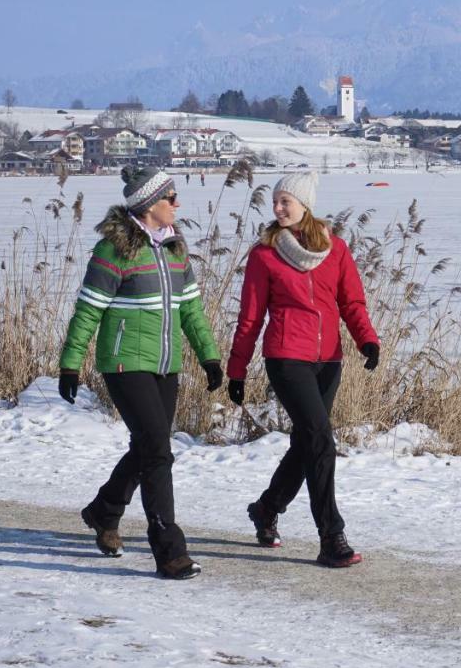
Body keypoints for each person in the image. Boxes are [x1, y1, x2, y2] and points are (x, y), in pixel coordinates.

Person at [58, 166, 222, 580]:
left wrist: (209, 357)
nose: (177, 204)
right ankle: (169, 550)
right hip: (123, 363)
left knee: (149, 448)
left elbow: (191, 311)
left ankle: (104, 511)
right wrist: (70, 364)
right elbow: (88, 310)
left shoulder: (175, 250)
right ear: (149, 205)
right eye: (170, 197)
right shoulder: (114, 250)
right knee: (158, 451)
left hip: (165, 364)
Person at [226, 172, 379, 568]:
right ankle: (331, 537)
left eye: (285, 201)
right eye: (275, 201)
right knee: (320, 439)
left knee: (306, 443)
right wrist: (237, 370)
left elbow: (352, 303)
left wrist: (367, 340)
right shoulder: (264, 255)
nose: (277, 208)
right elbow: (250, 318)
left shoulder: (337, 250)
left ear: (304, 205)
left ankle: (266, 509)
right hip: (285, 357)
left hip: (328, 360)